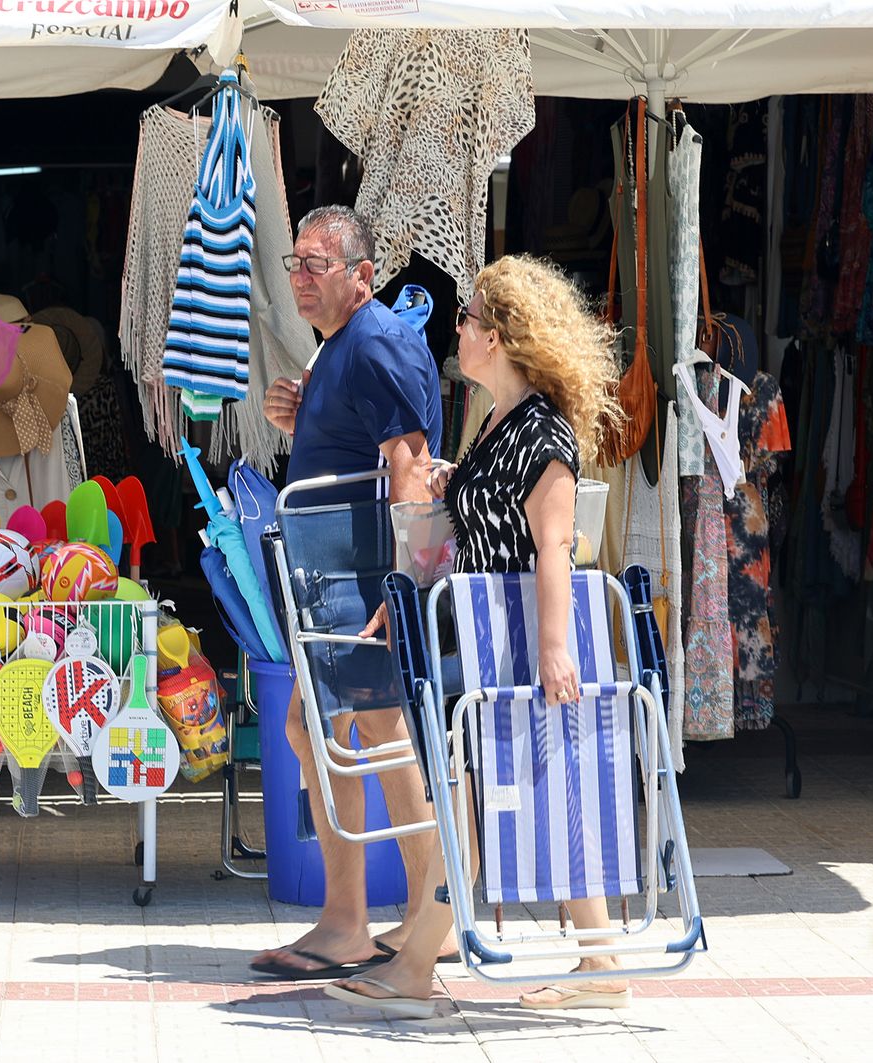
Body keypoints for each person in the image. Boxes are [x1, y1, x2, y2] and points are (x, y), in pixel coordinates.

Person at [326, 254, 630, 1018]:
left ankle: (417, 967)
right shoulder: (499, 423)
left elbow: (554, 542)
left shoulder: (542, 432)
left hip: (523, 643)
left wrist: (556, 647)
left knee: (469, 806)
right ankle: (598, 959)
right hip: (492, 641)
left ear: (493, 338)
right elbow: (488, 509)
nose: (455, 332)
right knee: (500, 802)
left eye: (465, 322)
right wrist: (451, 481)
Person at [249, 206, 450, 980]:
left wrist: (402, 590)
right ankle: (380, 917)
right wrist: (302, 413)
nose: (298, 277)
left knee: (362, 735)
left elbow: (409, 467)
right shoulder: (346, 344)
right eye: (293, 263)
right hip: (335, 572)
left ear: (362, 277)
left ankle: (394, 915)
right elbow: (362, 439)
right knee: (330, 731)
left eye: (315, 265)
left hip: (361, 575)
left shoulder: (378, 342)